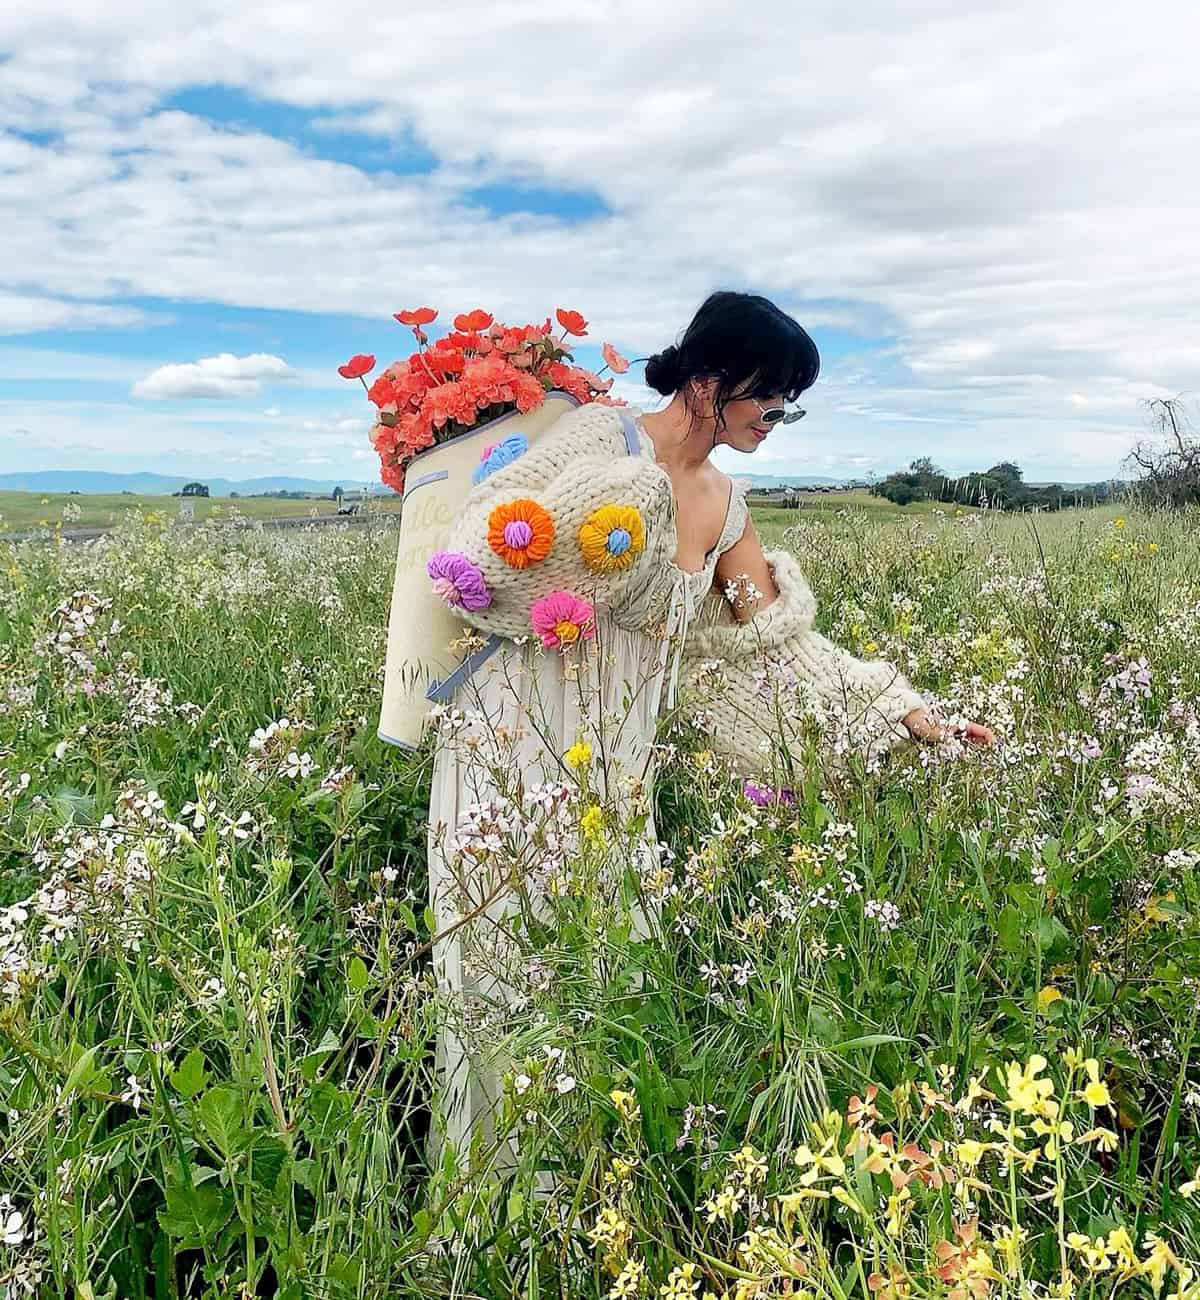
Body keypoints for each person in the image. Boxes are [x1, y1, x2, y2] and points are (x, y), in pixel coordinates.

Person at [421, 290, 996, 1187]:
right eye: (770, 397)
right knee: (497, 955)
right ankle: (484, 1199)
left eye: (788, 402)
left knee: (602, 960)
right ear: (705, 383)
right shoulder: (599, 440)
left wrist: (899, 710)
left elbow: (778, 645)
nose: (778, 418)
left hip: (615, 763)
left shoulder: (727, 507)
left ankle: (580, 1197)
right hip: (513, 726)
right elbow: (486, 546)